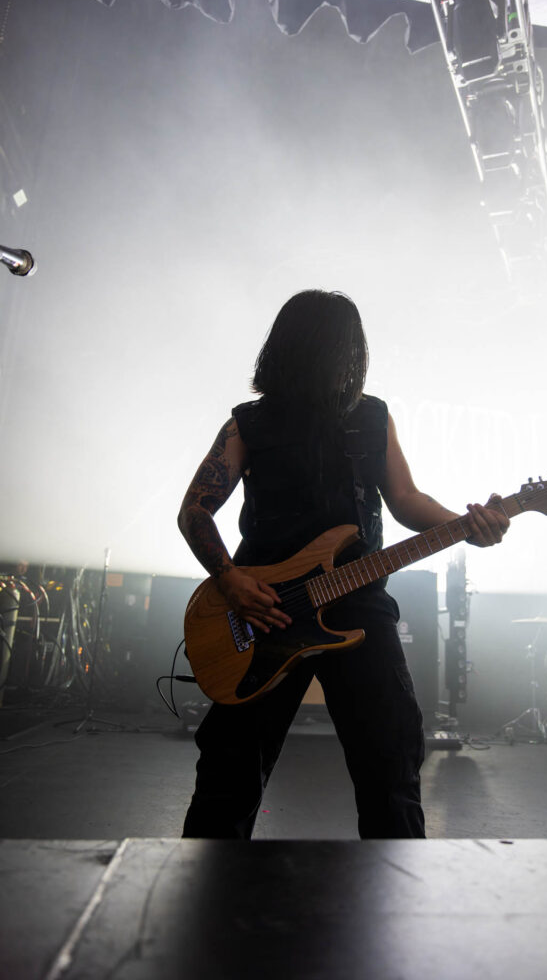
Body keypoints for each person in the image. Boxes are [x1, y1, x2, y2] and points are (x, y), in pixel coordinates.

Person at [178, 289, 510, 839]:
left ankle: (398, 878)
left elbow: (405, 499)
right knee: (230, 769)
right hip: (264, 608)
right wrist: (231, 581)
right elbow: (195, 510)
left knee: (391, 755)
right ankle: (205, 881)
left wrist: (466, 525)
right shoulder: (247, 424)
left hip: (357, 598)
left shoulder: (371, 417)